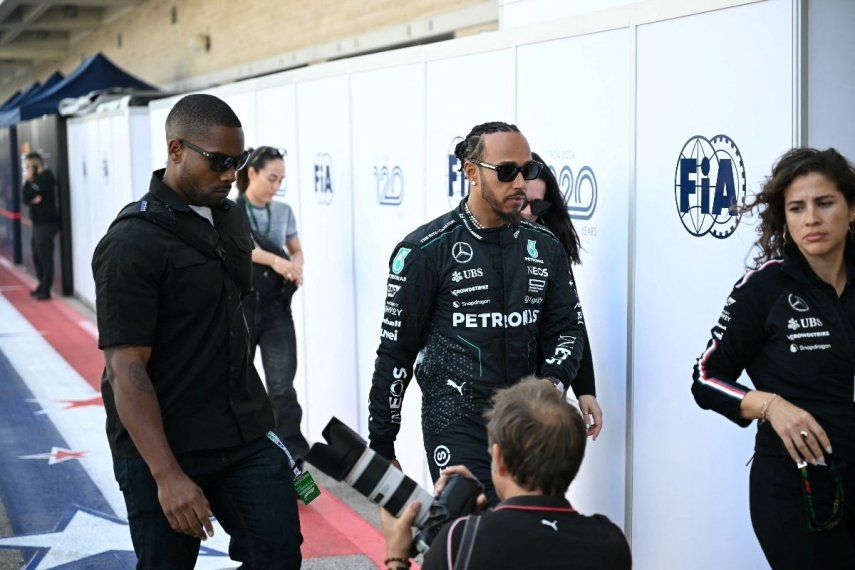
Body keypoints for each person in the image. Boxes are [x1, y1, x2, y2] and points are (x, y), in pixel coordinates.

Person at [92, 94, 301, 569]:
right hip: (166, 445)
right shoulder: (131, 243)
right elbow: (126, 369)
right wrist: (166, 476)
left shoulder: (229, 215)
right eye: (219, 162)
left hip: (242, 431)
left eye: (238, 162)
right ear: (176, 150)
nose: (231, 175)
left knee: (278, 555)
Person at [368, 121, 586, 504]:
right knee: (468, 540)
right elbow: (395, 353)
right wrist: (382, 442)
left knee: (522, 543)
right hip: (456, 424)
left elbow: (568, 329)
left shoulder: (546, 247)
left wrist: (550, 386)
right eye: (506, 172)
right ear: (471, 172)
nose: (520, 182)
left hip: (527, 423)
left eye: (527, 170)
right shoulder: (424, 250)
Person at [691, 147, 855, 568]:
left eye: (825, 203)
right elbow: (705, 378)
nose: (811, 219)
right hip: (794, 488)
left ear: (851, 210)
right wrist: (770, 406)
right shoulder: (764, 288)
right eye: (797, 208)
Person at [380, 377, 631, 570]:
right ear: (574, 461)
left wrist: (397, 557)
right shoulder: (609, 544)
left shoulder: (457, 542)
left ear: (498, 458)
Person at [235, 145, 310, 466]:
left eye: (281, 180)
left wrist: (296, 265)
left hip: (277, 307)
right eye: (271, 178)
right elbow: (241, 249)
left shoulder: (284, 211)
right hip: (243, 307)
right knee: (238, 384)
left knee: (282, 388)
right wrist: (279, 262)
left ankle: (292, 461)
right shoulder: (232, 212)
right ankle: (243, 457)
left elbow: (296, 250)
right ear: (251, 173)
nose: (276, 186)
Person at [521, 151, 602, 439]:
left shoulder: (548, 247)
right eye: (522, 203)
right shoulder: (460, 244)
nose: (530, 213)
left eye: (538, 205)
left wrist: (585, 389)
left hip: (542, 393)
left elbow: (570, 321)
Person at [21, 151, 59, 300]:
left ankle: (46, 289)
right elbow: (26, 198)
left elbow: (30, 195)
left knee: (45, 256)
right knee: (36, 255)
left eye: (30, 166)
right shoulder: (34, 180)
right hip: (37, 224)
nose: (28, 169)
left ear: (37, 164)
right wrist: (29, 182)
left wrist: (31, 192)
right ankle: (41, 284)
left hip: (47, 224)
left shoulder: (46, 178)